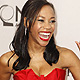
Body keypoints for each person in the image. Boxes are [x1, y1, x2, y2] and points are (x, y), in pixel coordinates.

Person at [0, 0, 80, 80]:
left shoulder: (66, 56)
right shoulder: (7, 61)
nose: (48, 26)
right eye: (41, 20)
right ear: (26, 22)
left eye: (52, 21)